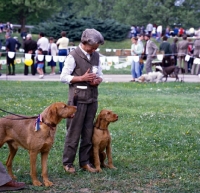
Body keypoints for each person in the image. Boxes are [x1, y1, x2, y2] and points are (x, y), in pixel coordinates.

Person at [60, 28, 104, 174]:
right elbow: (63, 77)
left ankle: (85, 161)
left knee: (88, 133)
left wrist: (97, 80)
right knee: (73, 132)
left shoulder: (96, 56)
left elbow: (100, 73)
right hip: (77, 101)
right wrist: (81, 78)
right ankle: (68, 163)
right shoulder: (73, 56)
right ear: (84, 42)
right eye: (92, 48)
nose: (93, 51)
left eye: (96, 48)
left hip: (92, 99)